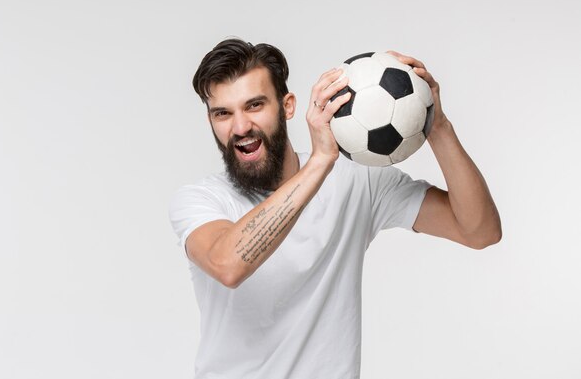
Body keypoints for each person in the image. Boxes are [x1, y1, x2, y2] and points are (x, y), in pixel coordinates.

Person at [169, 38, 501, 379]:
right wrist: (321, 159)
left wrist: (438, 126)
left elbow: (480, 231)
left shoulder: (357, 181)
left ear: (287, 106)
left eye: (254, 106)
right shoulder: (201, 200)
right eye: (222, 113)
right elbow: (228, 265)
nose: (240, 128)